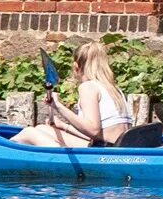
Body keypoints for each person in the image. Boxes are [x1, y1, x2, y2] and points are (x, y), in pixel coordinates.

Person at [14, 38, 142, 147]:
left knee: (29, 132)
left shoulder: (88, 87)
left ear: (76, 67)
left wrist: (58, 106)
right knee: (42, 129)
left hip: (102, 152)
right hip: (112, 147)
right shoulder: (113, 88)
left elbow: (94, 130)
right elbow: (100, 133)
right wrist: (63, 126)